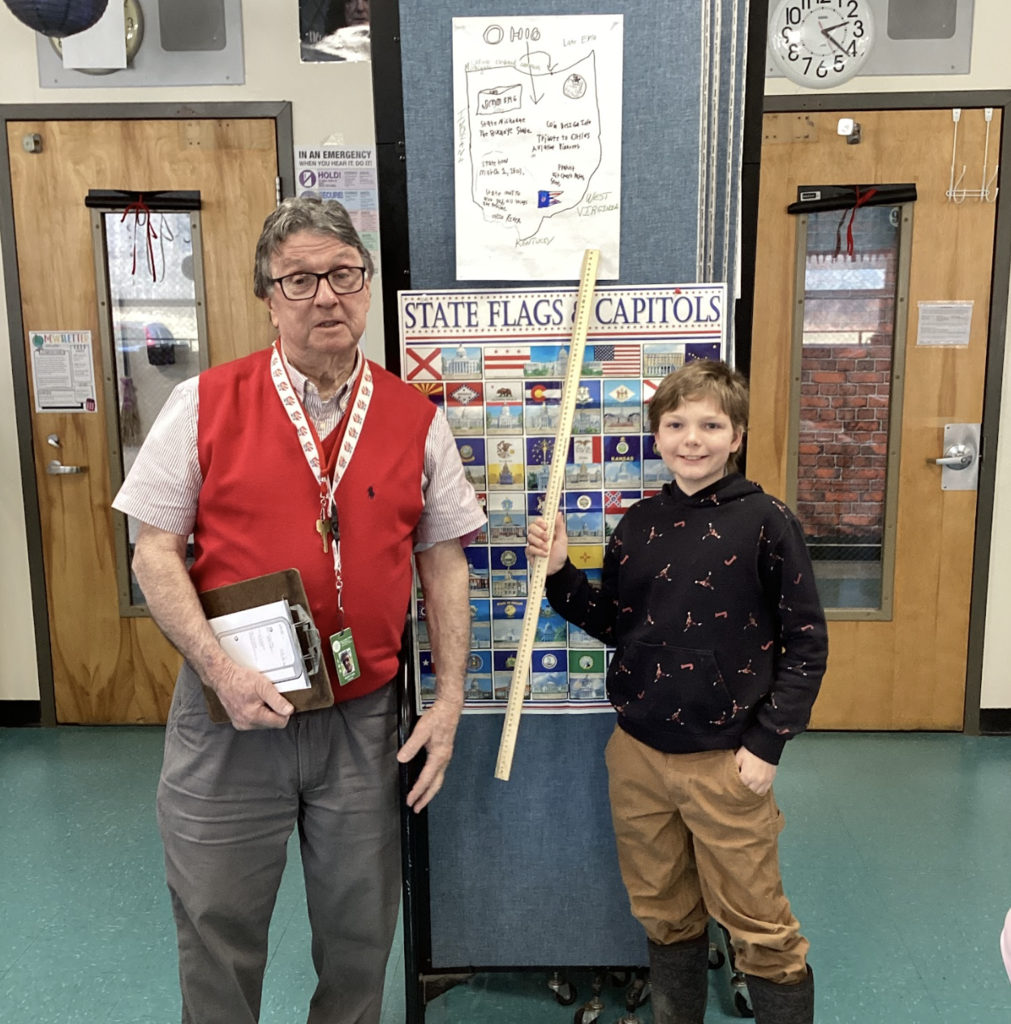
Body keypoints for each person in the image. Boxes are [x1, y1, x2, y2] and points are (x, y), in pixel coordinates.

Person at [113, 196, 484, 1024]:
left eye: (344, 275)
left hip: (362, 719)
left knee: (360, 935)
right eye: (300, 279)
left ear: (366, 286)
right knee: (217, 924)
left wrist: (450, 699)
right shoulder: (204, 403)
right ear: (268, 297)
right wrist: (219, 669)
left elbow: (442, 560)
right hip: (230, 716)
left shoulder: (414, 419)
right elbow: (153, 553)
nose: (326, 296)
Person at [527, 360, 827, 1024]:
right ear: (657, 436)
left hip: (726, 760)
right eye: (676, 424)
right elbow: (617, 625)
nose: (693, 439)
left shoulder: (767, 522)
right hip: (638, 754)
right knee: (663, 912)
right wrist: (560, 573)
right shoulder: (639, 524)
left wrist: (768, 741)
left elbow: (806, 643)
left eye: (711, 425)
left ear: (736, 436)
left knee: (760, 927)